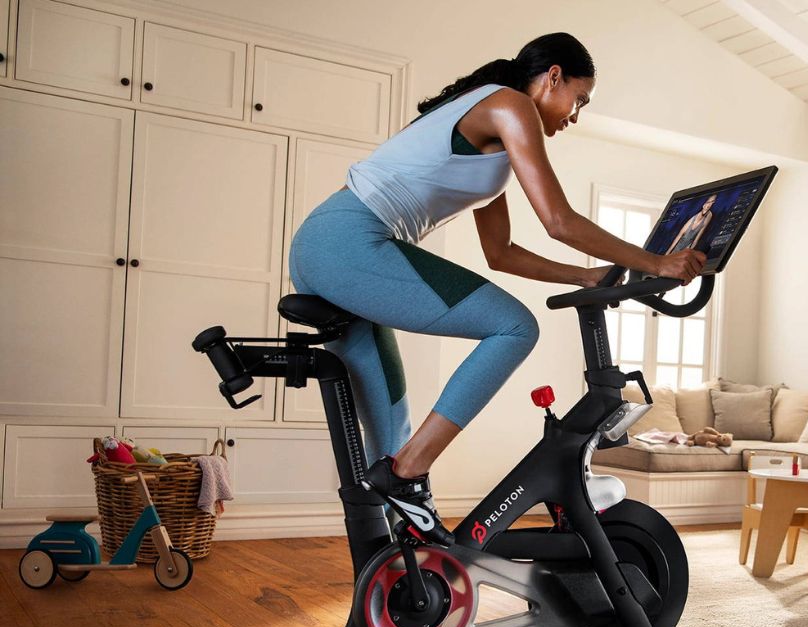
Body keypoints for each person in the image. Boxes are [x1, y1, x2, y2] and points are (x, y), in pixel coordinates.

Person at [288, 33, 706, 544]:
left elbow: (500, 253)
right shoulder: (509, 105)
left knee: (389, 431)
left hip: (328, 247)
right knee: (513, 327)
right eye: (579, 98)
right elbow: (559, 220)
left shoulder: (493, 136)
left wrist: (586, 276)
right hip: (349, 243)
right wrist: (658, 262)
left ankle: (401, 570)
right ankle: (409, 472)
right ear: (553, 76)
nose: (575, 116)